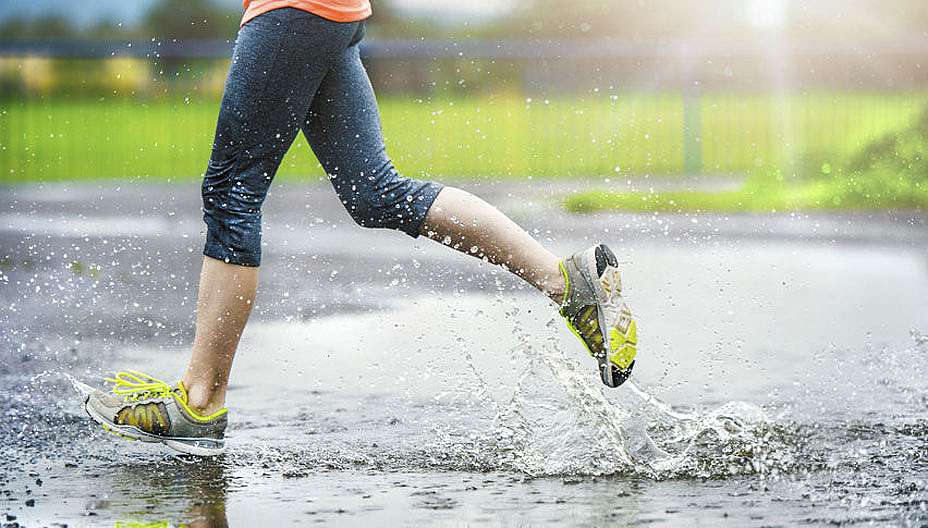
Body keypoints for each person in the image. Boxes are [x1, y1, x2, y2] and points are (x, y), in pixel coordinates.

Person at [83, 0, 638, 456]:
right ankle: (568, 282)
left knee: (233, 191)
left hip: (292, 11)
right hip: (331, 14)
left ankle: (199, 400)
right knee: (375, 192)